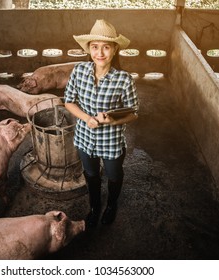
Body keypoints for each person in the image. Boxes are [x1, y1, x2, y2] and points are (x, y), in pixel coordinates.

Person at [64, 19, 139, 228]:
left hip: (111, 142)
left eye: (106, 47)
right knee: (91, 174)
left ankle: (111, 205)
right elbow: (68, 101)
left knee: (114, 174)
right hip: (84, 138)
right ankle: (95, 207)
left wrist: (113, 119)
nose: (100, 53)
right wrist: (87, 118)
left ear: (115, 50)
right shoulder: (79, 71)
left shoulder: (124, 79)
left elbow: (133, 113)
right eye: (95, 47)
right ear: (89, 49)